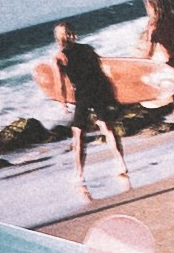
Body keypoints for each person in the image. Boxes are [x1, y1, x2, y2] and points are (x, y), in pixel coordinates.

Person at [42, 19, 135, 191]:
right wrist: (114, 92)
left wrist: (63, 103)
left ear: (58, 37)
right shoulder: (87, 49)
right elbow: (104, 70)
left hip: (83, 96)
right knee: (107, 128)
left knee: (78, 135)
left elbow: (59, 84)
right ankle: (121, 163)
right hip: (99, 91)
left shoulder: (59, 57)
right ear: (71, 33)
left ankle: (79, 174)